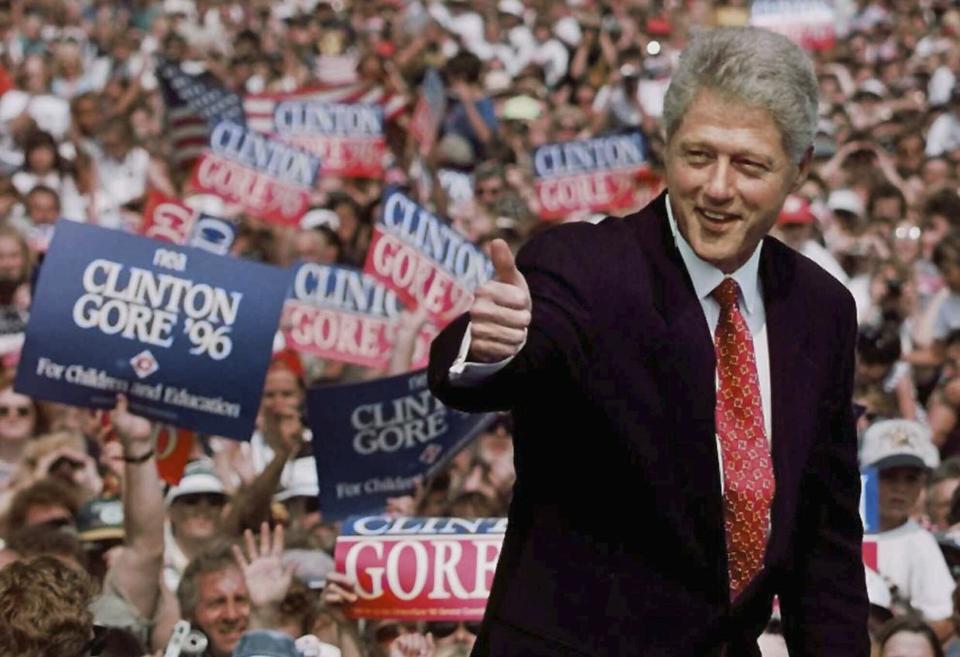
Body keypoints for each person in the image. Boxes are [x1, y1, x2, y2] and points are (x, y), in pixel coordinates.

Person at [427, 26, 869, 656]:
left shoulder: (822, 311)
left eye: (748, 165)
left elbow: (824, 547)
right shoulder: (583, 266)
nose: (717, 187)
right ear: (666, 146)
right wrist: (495, 345)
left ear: (798, 170)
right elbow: (507, 351)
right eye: (697, 155)